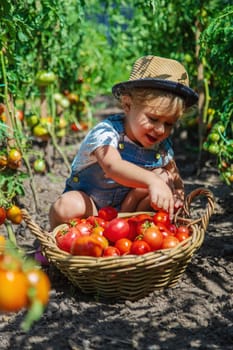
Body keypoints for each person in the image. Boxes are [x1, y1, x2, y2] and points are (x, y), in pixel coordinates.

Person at [49, 55, 198, 230]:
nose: (160, 130)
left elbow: (175, 178)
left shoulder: (161, 147)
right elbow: (113, 166)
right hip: (91, 210)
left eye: (169, 124)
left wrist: (178, 196)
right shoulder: (107, 132)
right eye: (153, 118)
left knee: (164, 176)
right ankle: (57, 240)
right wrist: (152, 180)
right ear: (127, 104)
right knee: (66, 206)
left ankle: (134, 231)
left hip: (129, 214)